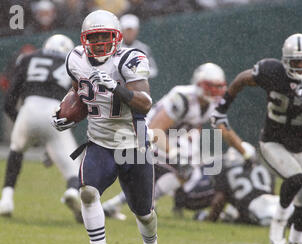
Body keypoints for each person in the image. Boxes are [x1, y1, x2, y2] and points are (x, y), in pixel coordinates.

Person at [52, 10, 165, 244]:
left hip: (133, 144)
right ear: (84, 39)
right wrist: (66, 112)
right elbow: (77, 88)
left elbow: (145, 103)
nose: (100, 42)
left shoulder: (130, 59)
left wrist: (117, 87)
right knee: (88, 193)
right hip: (99, 142)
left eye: (105, 36)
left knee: (145, 214)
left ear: (117, 38)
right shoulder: (75, 58)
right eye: (94, 37)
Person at [212, 33, 302, 244]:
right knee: (295, 178)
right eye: (296, 62)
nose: (300, 66)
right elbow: (242, 79)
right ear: (285, 61)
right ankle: (278, 222)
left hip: (300, 144)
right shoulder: (273, 72)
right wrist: (223, 106)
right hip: (272, 140)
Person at [102, 62, 255, 218]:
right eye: (210, 86)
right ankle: (134, 206)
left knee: (185, 173)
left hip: (166, 138)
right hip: (144, 134)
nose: (214, 91)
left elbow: (224, 129)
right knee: (183, 171)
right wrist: (175, 154)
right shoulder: (182, 98)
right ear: (199, 84)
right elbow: (155, 129)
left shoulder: (212, 104)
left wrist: (246, 153)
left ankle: (119, 205)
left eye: (218, 87)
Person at [0, 34, 83, 223]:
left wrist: (21, 123)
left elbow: (10, 100)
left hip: (29, 108)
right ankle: (72, 191)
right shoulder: (73, 64)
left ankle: (6, 200)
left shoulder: (28, 58)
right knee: (74, 171)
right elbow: (77, 105)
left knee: (16, 149)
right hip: (55, 111)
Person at [189, 146, 302, 232]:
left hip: (260, 209)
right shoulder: (262, 168)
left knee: (294, 217)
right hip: (273, 201)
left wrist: (210, 220)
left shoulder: (227, 172)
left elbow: (218, 201)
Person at [119, 14, 158, 78]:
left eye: (131, 30)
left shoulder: (144, 48)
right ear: (121, 31)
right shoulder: (115, 48)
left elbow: (153, 70)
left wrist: (138, 72)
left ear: (136, 31)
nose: (129, 33)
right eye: (127, 30)